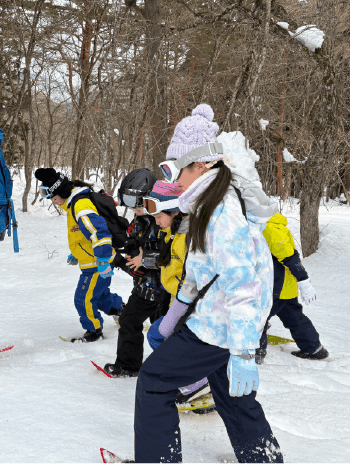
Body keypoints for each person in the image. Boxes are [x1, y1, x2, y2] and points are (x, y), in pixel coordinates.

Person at [133, 104, 284, 464]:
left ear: (200, 165)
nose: (172, 180)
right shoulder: (207, 202)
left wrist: (244, 352)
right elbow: (199, 269)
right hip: (222, 319)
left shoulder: (221, 212)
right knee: (233, 395)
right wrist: (173, 317)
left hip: (222, 324)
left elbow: (242, 284)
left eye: (175, 168)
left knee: (153, 381)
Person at [34, 167, 124, 342]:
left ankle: (93, 332)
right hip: (91, 260)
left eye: (54, 198)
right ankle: (122, 310)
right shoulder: (73, 204)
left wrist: (103, 260)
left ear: (61, 192)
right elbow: (82, 234)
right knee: (99, 296)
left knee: (83, 299)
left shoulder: (80, 205)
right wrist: (77, 253)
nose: (55, 202)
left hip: (98, 263)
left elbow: (99, 232)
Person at [143, 180, 211, 406]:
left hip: (191, 306)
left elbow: (194, 277)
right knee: (163, 337)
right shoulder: (172, 231)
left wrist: (182, 310)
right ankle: (196, 379)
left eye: (158, 216)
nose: (156, 221)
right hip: (178, 301)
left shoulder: (189, 237)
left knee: (158, 336)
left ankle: (197, 382)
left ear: (175, 211)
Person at [101, 169, 170, 377]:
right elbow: (132, 241)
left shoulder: (162, 221)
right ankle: (136, 365)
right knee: (145, 324)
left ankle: (136, 366)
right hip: (144, 285)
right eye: (130, 204)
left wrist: (144, 258)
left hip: (160, 287)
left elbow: (170, 256)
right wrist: (125, 256)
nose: (134, 209)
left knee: (136, 322)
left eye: (138, 205)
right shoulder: (139, 220)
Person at [257, 212, 328, 363]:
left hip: (275, 287)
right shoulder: (272, 225)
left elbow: (289, 256)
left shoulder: (270, 228)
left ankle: (255, 353)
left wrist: (303, 280)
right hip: (284, 287)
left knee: (257, 317)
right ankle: (313, 348)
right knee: (294, 317)